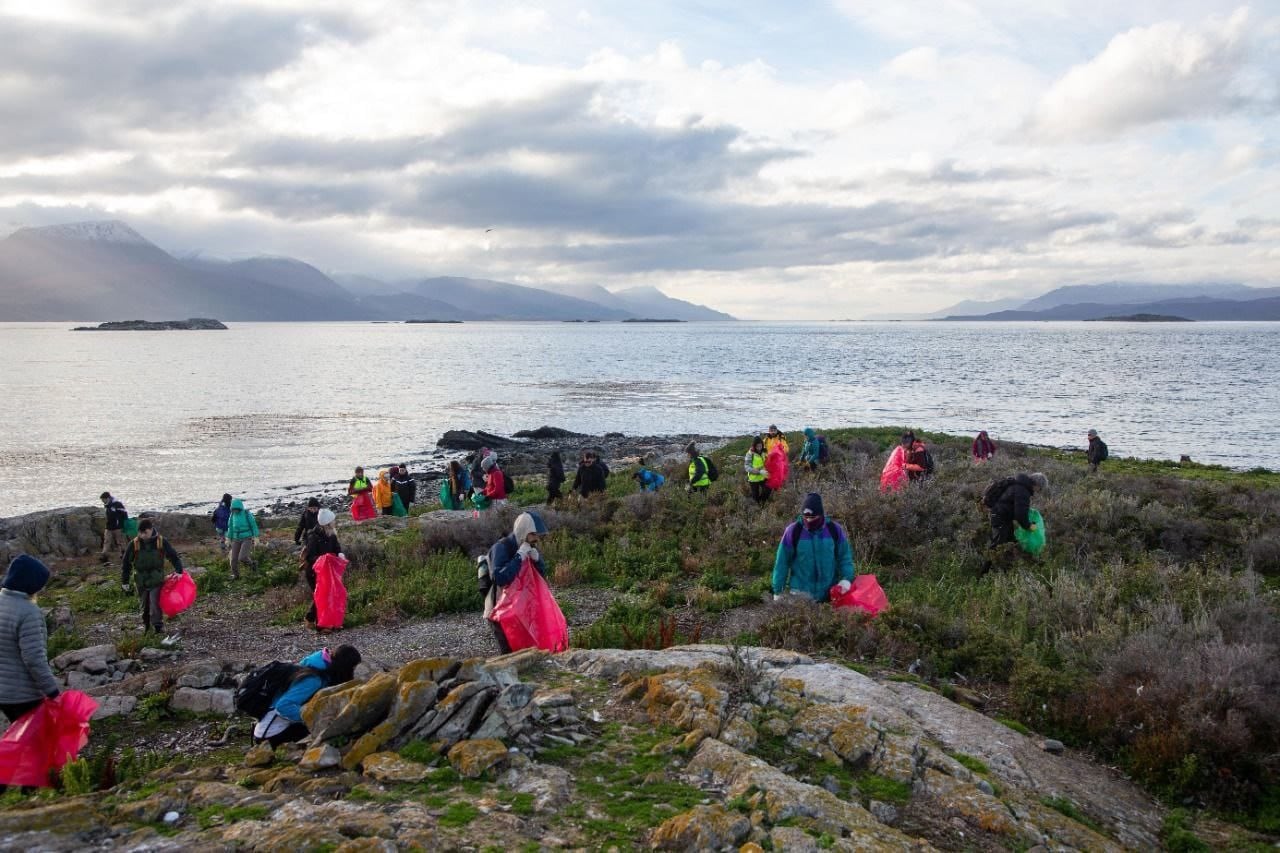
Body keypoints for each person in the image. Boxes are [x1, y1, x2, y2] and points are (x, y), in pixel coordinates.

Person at [252, 645, 361, 748]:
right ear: (344, 667)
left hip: (273, 727)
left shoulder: (316, 666)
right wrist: (312, 717)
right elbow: (283, 706)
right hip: (270, 734)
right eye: (352, 668)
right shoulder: (314, 679)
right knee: (327, 732)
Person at [0, 555, 60, 726]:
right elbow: (33, 658)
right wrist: (53, 691)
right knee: (34, 746)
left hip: (3, 693)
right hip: (22, 694)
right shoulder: (28, 612)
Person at [481, 512, 549, 654]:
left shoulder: (529, 547)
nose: (536, 539)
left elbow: (539, 577)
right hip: (498, 609)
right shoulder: (501, 548)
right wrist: (519, 557)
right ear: (524, 531)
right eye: (533, 534)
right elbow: (500, 578)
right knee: (508, 651)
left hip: (519, 609)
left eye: (537, 535)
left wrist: (538, 562)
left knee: (524, 648)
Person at [771, 493, 855, 603]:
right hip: (800, 595)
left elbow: (844, 557)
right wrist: (778, 591)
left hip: (829, 595)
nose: (809, 520)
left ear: (821, 515)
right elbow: (782, 562)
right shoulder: (793, 531)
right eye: (806, 517)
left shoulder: (834, 529)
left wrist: (846, 579)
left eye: (813, 517)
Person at [121, 518, 184, 635]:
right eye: (140, 532)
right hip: (140, 579)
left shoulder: (161, 541)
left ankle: (158, 627)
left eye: (145, 532)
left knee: (155, 603)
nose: (142, 535)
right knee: (144, 605)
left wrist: (179, 571)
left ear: (150, 530)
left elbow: (173, 556)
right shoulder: (134, 544)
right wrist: (124, 581)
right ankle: (146, 625)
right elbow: (126, 563)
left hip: (156, 579)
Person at [987, 472, 1048, 548]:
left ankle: (1005, 558)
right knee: (998, 545)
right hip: (1000, 517)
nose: (1038, 491)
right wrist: (1028, 526)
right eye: (1040, 488)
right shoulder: (1023, 491)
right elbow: (1020, 514)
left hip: (1003, 516)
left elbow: (1014, 505)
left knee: (1009, 541)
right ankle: (991, 559)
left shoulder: (1018, 484)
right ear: (1037, 485)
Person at [301, 509, 341, 626]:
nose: (335, 522)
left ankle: (313, 619)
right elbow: (310, 557)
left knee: (326, 595)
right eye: (333, 521)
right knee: (320, 596)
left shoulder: (332, 534)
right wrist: (324, 558)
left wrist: (339, 554)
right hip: (314, 572)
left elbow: (336, 547)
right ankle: (320, 624)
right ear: (327, 523)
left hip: (327, 571)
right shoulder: (313, 537)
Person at [225, 498, 259, 580]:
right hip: (236, 539)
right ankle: (236, 575)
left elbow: (253, 525)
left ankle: (252, 564)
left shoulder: (247, 514)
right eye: (233, 509)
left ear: (239, 508)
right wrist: (228, 538)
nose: (235, 511)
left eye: (236, 509)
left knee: (242, 557)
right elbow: (230, 528)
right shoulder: (232, 516)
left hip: (247, 538)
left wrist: (256, 537)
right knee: (233, 559)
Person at [99, 491, 128, 563]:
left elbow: (124, 513)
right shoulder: (106, 505)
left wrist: (124, 523)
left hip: (118, 527)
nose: (103, 501)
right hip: (108, 527)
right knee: (106, 541)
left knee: (120, 542)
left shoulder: (117, 504)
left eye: (103, 500)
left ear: (108, 498)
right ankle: (104, 556)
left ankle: (124, 555)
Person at [744, 436, 770, 504]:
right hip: (753, 479)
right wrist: (759, 472)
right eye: (757, 446)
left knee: (767, 490)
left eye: (760, 446)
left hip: (763, 477)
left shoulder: (764, 452)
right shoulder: (750, 454)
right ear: (754, 446)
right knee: (755, 497)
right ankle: (757, 505)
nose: (759, 448)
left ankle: (762, 503)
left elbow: (768, 462)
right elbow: (747, 467)